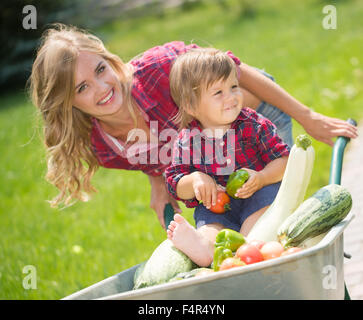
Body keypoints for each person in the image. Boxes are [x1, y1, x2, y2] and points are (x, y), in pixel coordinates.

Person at [29, 24, 357, 229]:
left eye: (101, 70)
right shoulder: (99, 146)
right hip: (215, 159)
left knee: (268, 221)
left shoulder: (158, 71)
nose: (102, 87)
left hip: (258, 125)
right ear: (65, 102)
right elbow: (156, 150)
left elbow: (236, 72)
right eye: (81, 88)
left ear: (110, 60)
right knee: (228, 228)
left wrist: (308, 117)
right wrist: (158, 181)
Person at [164, 48, 289, 267]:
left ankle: (248, 246)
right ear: (191, 106)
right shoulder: (188, 140)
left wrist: (262, 177)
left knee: (264, 206)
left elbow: (285, 161)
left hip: (259, 196)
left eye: (233, 87)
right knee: (211, 226)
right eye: (218, 93)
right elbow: (175, 184)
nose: (231, 97)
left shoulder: (253, 125)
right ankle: (205, 248)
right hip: (216, 207)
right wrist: (195, 180)